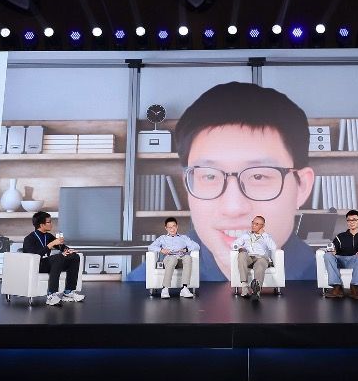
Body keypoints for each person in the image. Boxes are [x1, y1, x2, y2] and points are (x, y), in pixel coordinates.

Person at [127, 82, 316, 283]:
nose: (233, 208)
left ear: (302, 187)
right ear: (188, 186)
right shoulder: (145, 285)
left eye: (258, 176)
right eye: (209, 176)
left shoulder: (330, 282)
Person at [22, 211, 85, 306]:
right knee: (58, 257)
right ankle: (51, 295)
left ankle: (68, 292)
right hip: (37, 265)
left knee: (74, 257)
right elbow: (34, 256)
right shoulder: (29, 239)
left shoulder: (48, 236)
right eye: (49, 222)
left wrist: (67, 250)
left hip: (51, 263)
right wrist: (51, 245)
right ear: (41, 225)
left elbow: (62, 247)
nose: (51, 224)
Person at [323, 209, 358, 300]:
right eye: (349, 220)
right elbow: (334, 247)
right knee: (327, 255)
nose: (351, 222)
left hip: (355, 261)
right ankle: (337, 287)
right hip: (341, 260)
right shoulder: (340, 236)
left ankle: (354, 287)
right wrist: (333, 251)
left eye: (354, 220)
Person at [148, 217, 200, 299]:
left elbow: (197, 246)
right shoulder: (162, 238)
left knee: (188, 257)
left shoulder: (183, 238)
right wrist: (161, 250)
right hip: (169, 259)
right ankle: (165, 289)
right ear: (166, 228)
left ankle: (184, 288)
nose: (172, 229)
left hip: (180, 259)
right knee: (173, 259)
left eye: (174, 226)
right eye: (169, 227)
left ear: (177, 226)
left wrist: (186, 249)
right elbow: (150, 247)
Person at [232, 215, 278, 298]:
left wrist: (263, 234)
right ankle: (244, 287)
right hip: (248, 257)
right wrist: (240, 248)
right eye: (253, 223)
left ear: (262, 226)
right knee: (241, 254)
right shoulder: (246, 235)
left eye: (257, 224)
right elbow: (234, 244)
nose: (253, 225)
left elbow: (273, 247)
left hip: (261, 258)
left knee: (260, 264)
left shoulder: (266, 236)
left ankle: (256, 291)